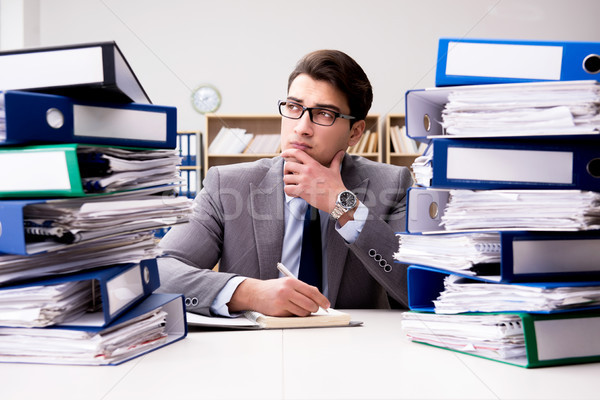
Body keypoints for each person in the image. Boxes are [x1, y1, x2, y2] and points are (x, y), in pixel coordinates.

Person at [158, 49, 413, 317]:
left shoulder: (393, 185)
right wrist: (249, 293)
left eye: (324, 113)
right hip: (255, 348)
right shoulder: (226, 185)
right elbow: (160, 272)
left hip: (356, 348)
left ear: (356, 132)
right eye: (294, 107)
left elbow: (420, 291)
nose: (302, 127)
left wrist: (343, 205)